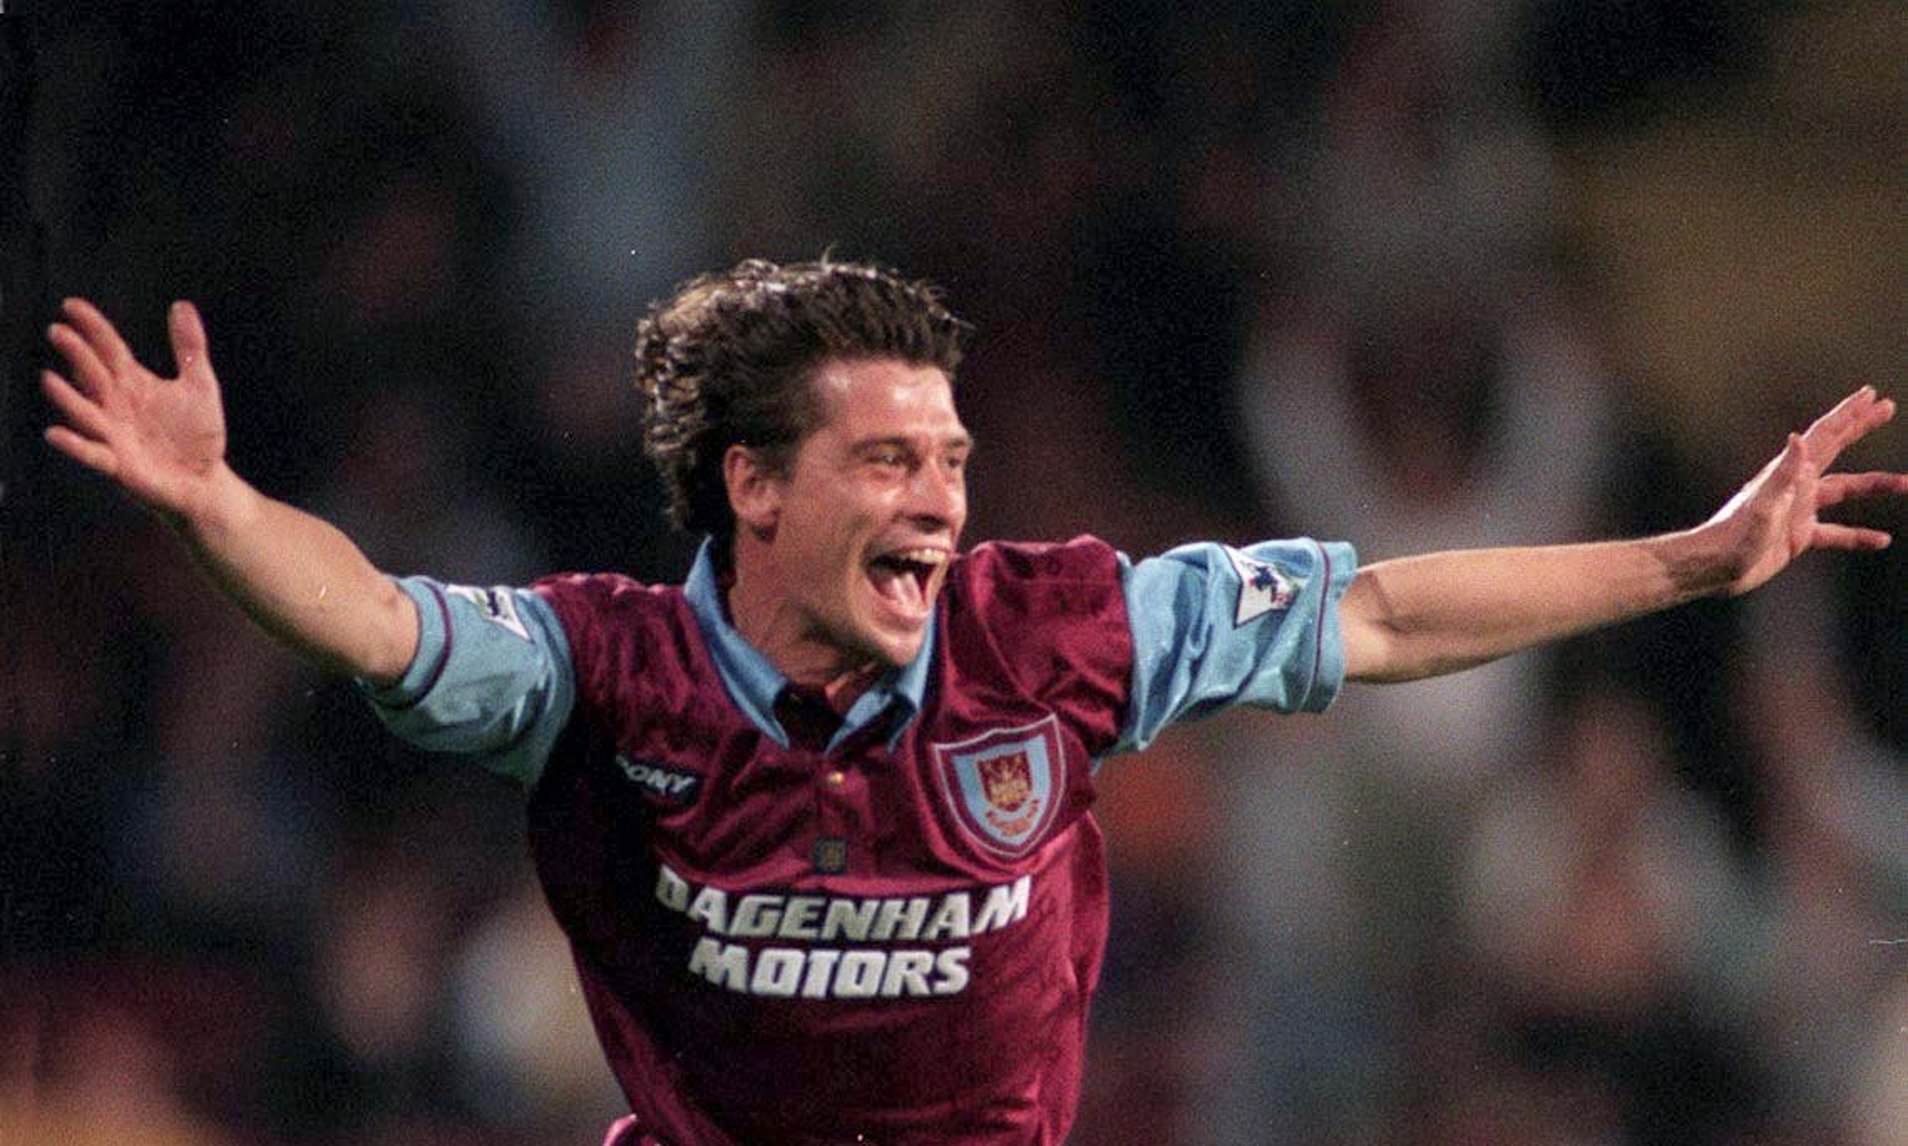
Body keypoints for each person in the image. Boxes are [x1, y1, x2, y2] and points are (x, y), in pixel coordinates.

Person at [41, 258, 1907, 1145]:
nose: (941, 499)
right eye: (887, 461)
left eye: (951, 456)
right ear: (753, 487)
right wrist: (218, 506)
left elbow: (1382, 609)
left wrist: (1690, 561)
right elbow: (374, 621)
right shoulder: (602, 671)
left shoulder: (1062, 635)